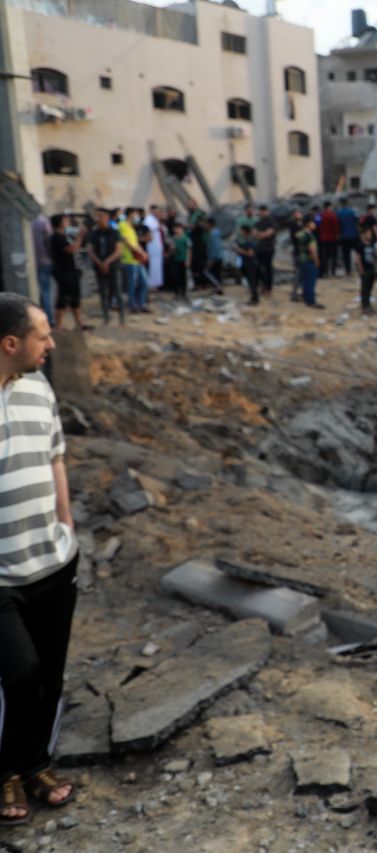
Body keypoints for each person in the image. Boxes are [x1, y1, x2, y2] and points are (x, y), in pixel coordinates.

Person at [0, 293, 79, 827]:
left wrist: (67, 526)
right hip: (2, 577)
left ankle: (34, 765)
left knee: (48, 675)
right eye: (42, 335)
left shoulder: (39, 387)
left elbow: (55, 456)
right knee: (19, 671)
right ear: (10, 343)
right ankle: (4, 769)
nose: (52, 343)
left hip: (53, 561)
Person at [49, 215, 90, 331]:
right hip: (64, 272)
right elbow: (72, 249)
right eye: (65, 221)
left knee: (75, 298)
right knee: (64, 297)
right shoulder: (56, 238)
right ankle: (59, 325)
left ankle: (79, 323)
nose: (67, 222)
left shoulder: (65, 236)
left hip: (72, 271)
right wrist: (80, 236)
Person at [86, 209, 124, 325]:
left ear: (107, 218)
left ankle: (122, 320)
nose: (98, 219)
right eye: (97, 216)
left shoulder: (114, 232)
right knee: (103, 293)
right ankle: (106, 318)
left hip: (113, 267)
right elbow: (90, 251)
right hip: (99, 268)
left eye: (101, 216)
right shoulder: (94, 233)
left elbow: (118, 251)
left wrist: (107, 262)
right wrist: (100, 263)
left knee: (118, 293)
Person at [117, 209, 149, 313]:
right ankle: (132, 305)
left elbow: (136, 243)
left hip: (137, 260)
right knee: (132, 284)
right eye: (136, 215)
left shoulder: (132, 228)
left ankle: (141, 304)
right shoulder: (122, 225)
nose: (137, 217)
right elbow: (127, 242)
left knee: (144, 283)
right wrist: (141, 253)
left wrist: (143, 252)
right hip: (129, 259)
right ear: (130, 214)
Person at [31, 214, 54, 323]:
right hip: (44, 262)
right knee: (45, 292)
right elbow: (50, 240)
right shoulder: (44, 222)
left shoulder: (29, 221)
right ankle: (48, 319)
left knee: (37, 292)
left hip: (31, 263)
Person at [296, 218, 322, 309]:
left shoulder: (301, 234)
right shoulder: (310, 236)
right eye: (313, 223)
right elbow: (312, 249)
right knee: (311, 281)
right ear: (308, 224)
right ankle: (311, 301)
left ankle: (307, 299)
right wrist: (316, 260)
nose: (314, 224)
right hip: (310, 260)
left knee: (305, 281)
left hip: (302, 259)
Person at [232, 225, 259, 305]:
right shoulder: (249, 240)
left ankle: (254, 299)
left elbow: (250, 253)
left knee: (252, 282)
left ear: (244, 231)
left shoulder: (249, 241)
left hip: (250, 264)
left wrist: (240, 250)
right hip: (251, 263)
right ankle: (254, 298)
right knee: (252, 282)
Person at [355, 229, 377, 315]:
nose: (369, 236)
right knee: (364, 288)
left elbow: (375, 256)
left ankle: (368, 305)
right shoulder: (360, 244)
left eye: (370, 234)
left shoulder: (372, 244)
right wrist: (361, 269)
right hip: (365, 269)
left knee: (369, 288)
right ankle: (364, 306)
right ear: (363, 235)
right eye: (368, 234)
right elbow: (358, 258)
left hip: (372, 268)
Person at [253, 206, 275, 297]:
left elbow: (269, 234)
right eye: (261, 211)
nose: (263, 213)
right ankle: (262, 286)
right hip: (259, 249)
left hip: (268, 249)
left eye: (264, 211)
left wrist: (260, 234)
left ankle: (268, 288)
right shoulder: (258, 223)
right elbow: (254, 234)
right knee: (258, 267)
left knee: (268, 269)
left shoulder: (271, 222)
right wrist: (262, 234)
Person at [337, 197, 360, 276]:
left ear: (341, 204)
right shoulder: (353, 211)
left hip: (344, 237)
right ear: (347, 203)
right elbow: (358, 221)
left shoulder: (339, 213)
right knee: (356, 253)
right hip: (354, 235)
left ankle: (348, 271)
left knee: (346, 255)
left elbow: (337, 225)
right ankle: (358, 268)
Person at [168, 222, 190, 302]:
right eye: (176, 228)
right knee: (175, 277)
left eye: (178, 228)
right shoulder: (173, 238)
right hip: (175, 260)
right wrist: (172, 248)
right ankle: (176, 293)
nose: (177, 230)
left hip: (183, 260)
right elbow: (171, 250)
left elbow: (189, 250)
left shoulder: (185, 238)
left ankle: (183, 293)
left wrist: (188, 260)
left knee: (183, 277)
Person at [201, 219, 224, 294]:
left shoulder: (212, 234)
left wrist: (211, 257)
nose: (205, 226)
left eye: (206, 224)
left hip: (214, 256)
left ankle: (218, 286)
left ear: (209, 225)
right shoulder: (217, 231)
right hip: (219, 255)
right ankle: (217, 288)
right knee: (215, 272)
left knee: (206, 271)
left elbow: (214, 246)